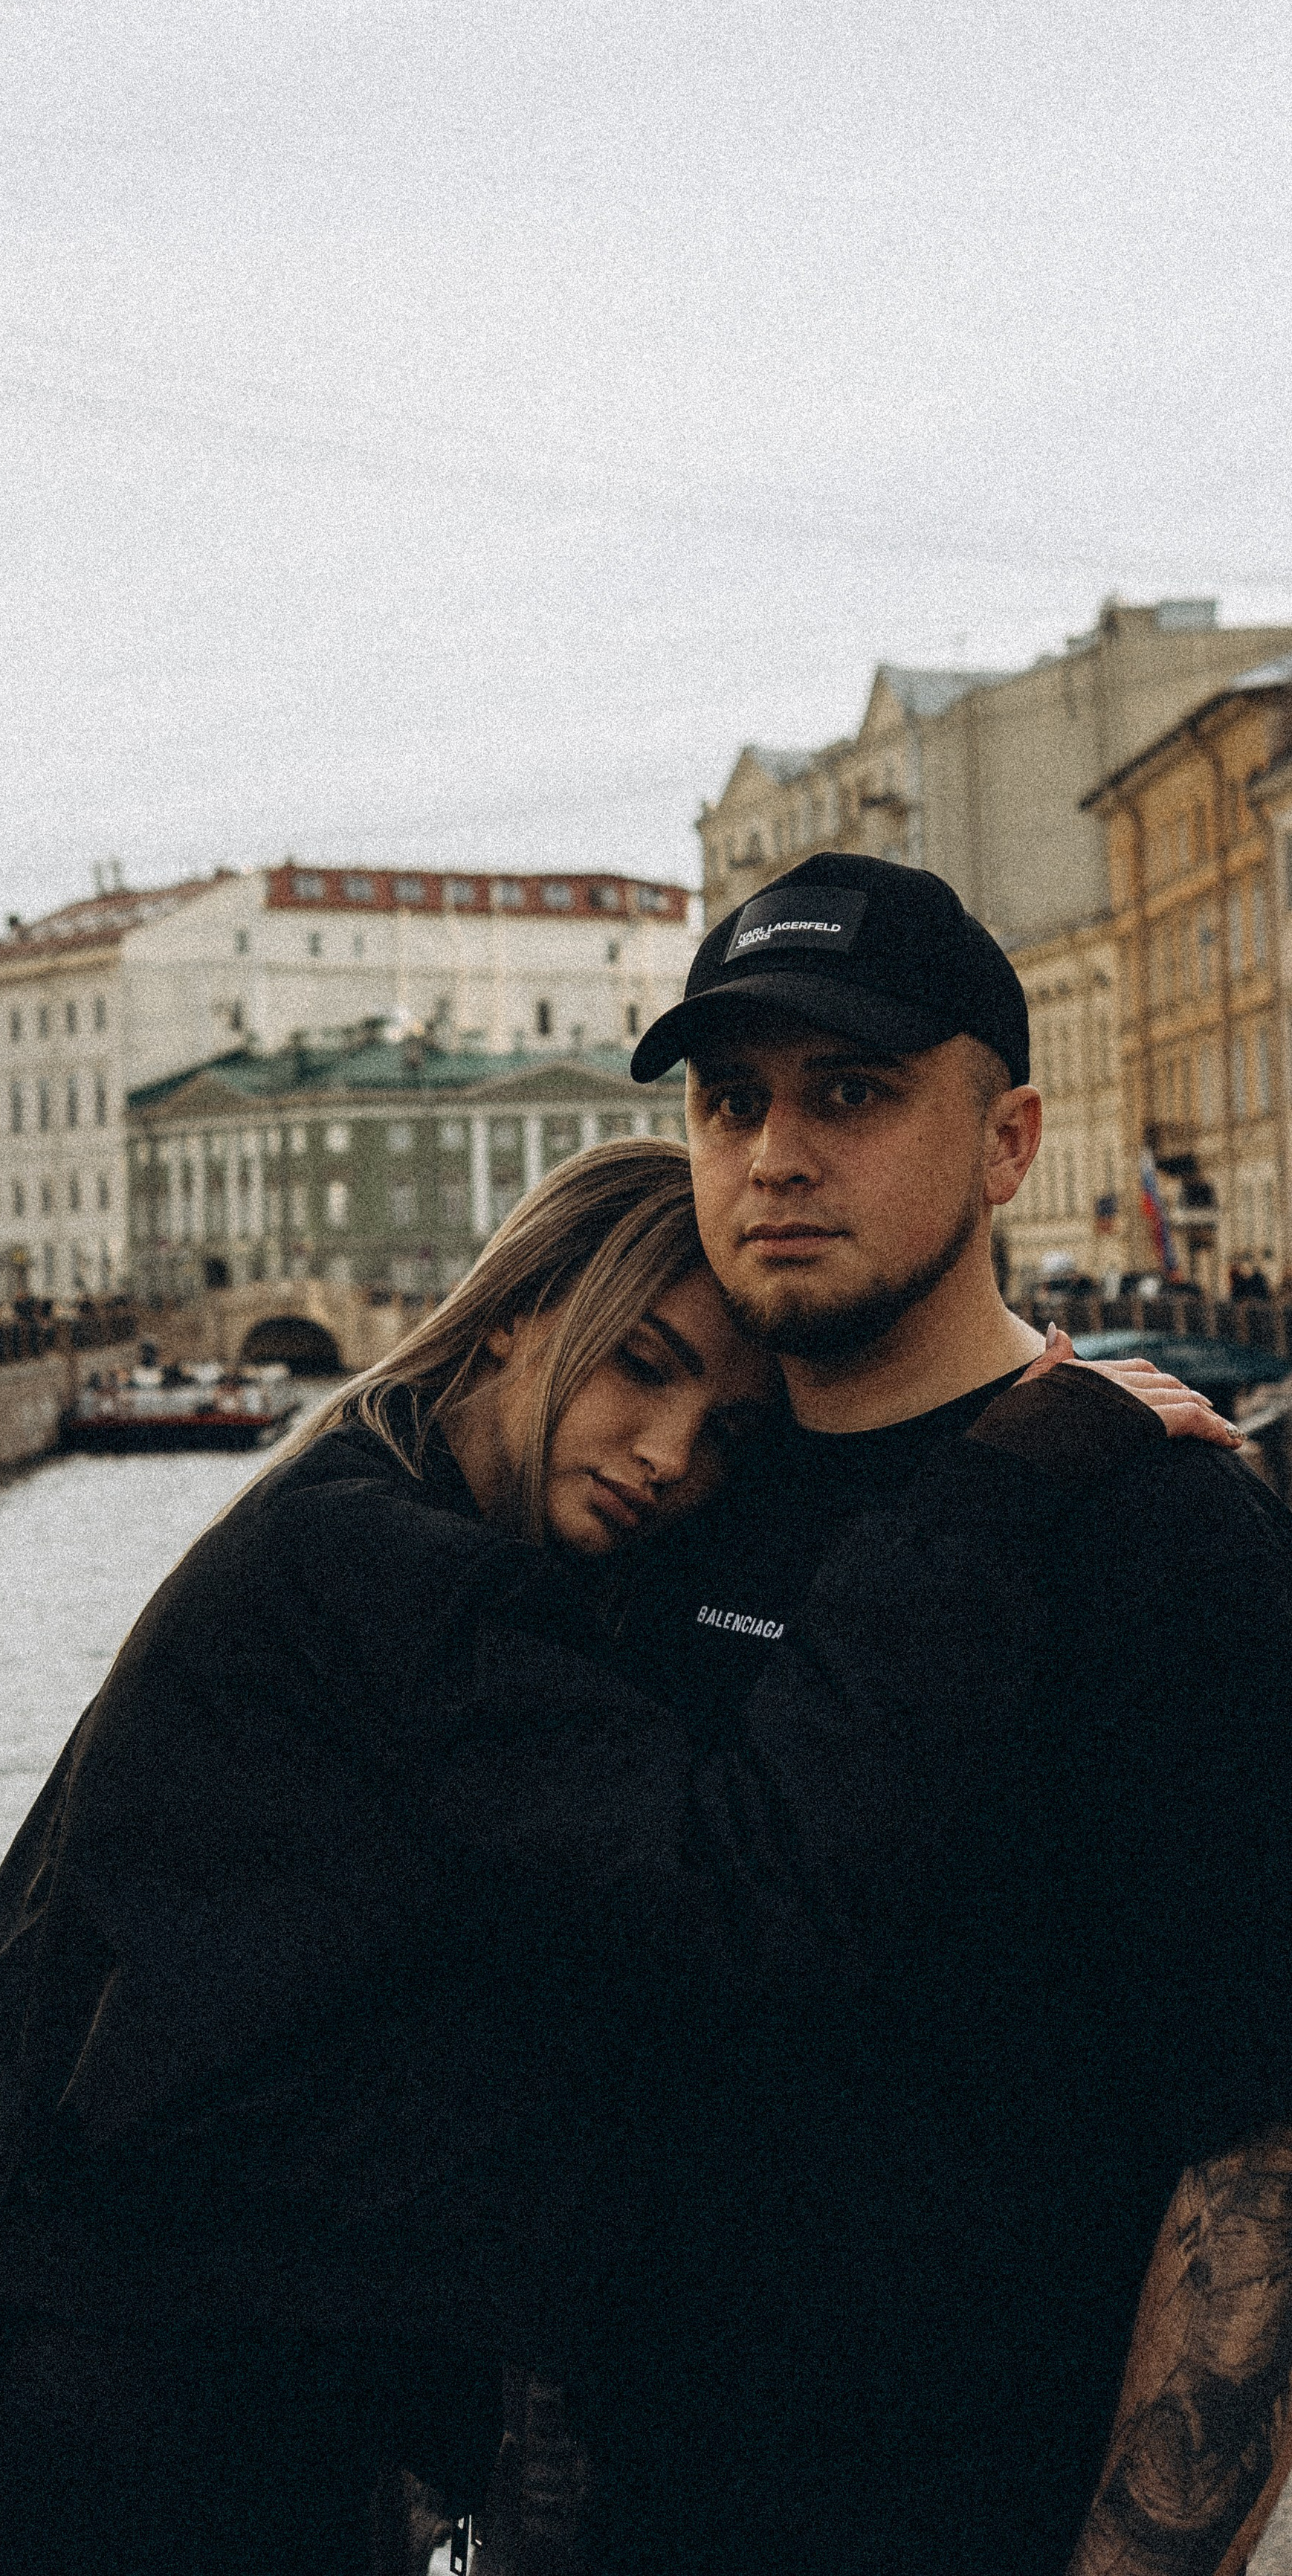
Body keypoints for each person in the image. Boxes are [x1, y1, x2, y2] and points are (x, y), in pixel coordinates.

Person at [0, 1129, 1212, 2576]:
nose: (666, 1457)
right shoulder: (396, 1574)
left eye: (727, 1434)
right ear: (523, 1310)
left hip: (172, 2327)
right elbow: (730, 1882)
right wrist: (1003, 1476)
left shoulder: (369, 1506)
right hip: (172, 2381)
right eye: (641, 1367)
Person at [586, 850, 1292, 2576]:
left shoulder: (1162, 1531)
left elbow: (1253, 2158)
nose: (773, 1156)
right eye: (727, 1099)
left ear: (1006, 1142)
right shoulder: (667, 1501)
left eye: (851, 1092)